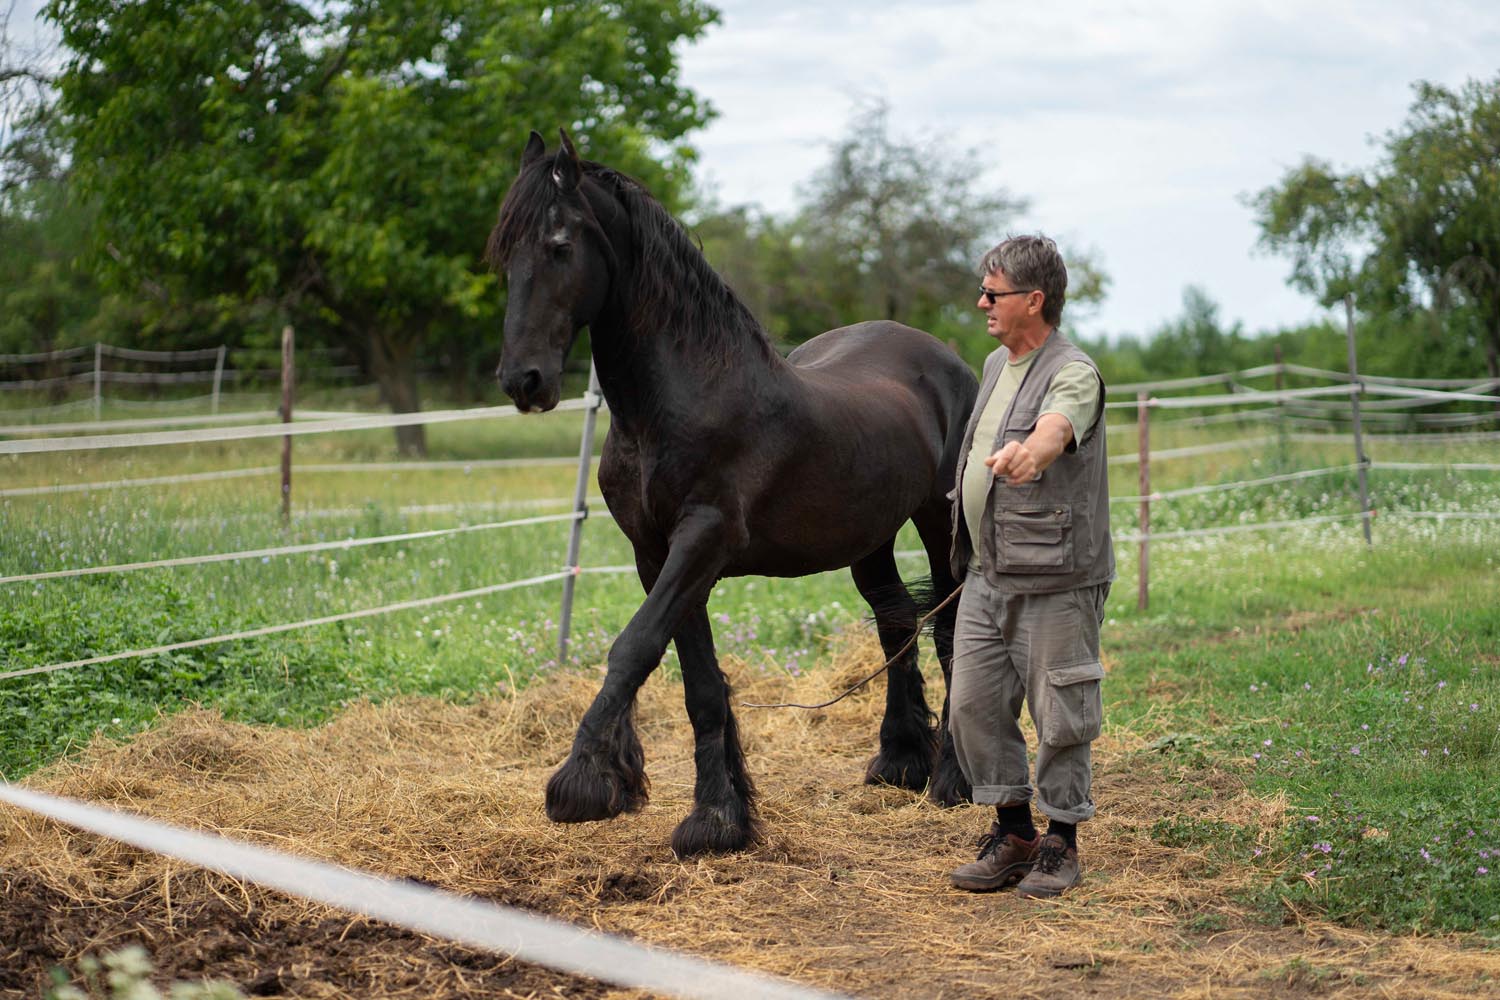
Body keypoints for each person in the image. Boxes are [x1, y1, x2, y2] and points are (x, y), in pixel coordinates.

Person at [945, 234, 1115, 899]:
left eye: (994, 292)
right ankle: (1015, 832)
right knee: (971, 707)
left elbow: (1056, 426)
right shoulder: (995, 364)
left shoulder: (1073, 370)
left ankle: (1062, 843)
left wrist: (1033, 454)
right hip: (988, 576)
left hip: (1056, 579)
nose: (981, 301)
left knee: (1061, 714)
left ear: (1034, 300)